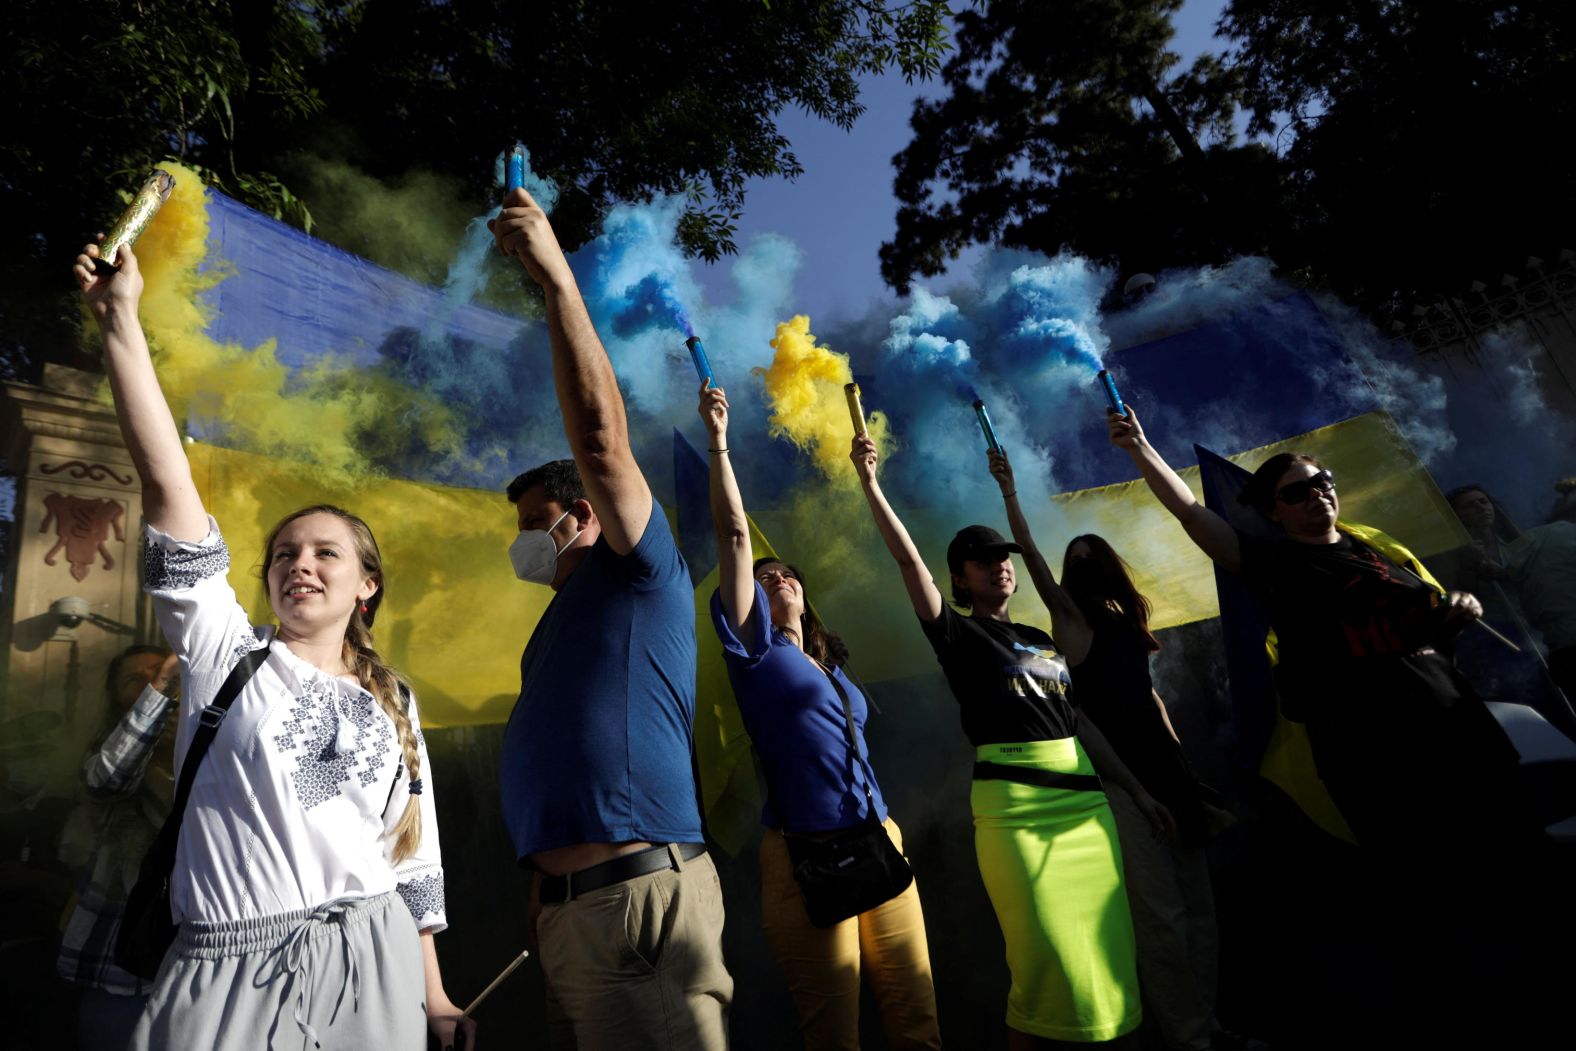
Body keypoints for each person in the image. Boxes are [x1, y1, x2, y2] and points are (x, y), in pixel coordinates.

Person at [74, 238, 469, 1050]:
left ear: (368, 584)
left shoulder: (396, 701)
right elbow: (167, 484)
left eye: (327, 552)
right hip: (222, 979)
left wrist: (433, 998)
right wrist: (120, 321)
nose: (301, 563)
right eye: (285, 553)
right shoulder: (226, 652)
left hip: (372, 972)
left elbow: (410, 859)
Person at [1106, 404, 1553, 1041]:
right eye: (1297, 493)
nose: (1317, 496)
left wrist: (1458, 607)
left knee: (1513, 870)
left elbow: (1425, 624)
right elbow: (1191, 515)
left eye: (1323, 483)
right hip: (1376, 754)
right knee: (1430, 897)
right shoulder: (1278, 566)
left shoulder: (1380, 550)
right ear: (1273, 511)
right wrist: (1141, 451)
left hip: (1458, 732)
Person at [489, 188, 730, 1049]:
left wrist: (552, 274)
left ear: (582, 514)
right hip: (568, 920)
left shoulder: (640, 571)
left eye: (534, 523)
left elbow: (600, 442)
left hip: (637, 905)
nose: (524, 546)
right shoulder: (554, 627)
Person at [852, 433, 1159, 1050]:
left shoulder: (1042, 637)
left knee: (1106, 956)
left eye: (1006, 558)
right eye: (984, 559)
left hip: (1086, 810)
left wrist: (1135, 791)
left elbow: (1080, 726)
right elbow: (909, 563)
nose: (1001, 565)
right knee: (1044, 964)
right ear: (959, 578)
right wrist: (870, 484)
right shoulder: (958, 636)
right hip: (1016, 813)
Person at [700, 383, 940, 1050]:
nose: (777, 579)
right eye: (764, 577)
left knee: (917, 1021)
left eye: (789, 576)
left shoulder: (831, 664)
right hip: (806, 857)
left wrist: (868, 478)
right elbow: (737, 534)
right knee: (833, 1036)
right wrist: (719, 441)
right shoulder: (755, 653)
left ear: (807, 595)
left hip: (878, 838)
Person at [56, 645, 181, 1049]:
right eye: (135, 680)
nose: (151, 684)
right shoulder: (105, 763)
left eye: (160, 674)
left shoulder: (217, 761)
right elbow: (107, 780)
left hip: (199, 967)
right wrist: (161, 691)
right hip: (123, 976)